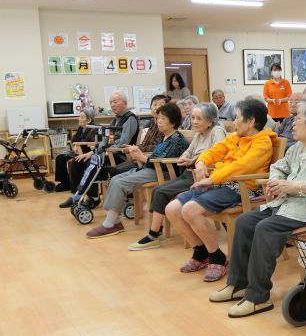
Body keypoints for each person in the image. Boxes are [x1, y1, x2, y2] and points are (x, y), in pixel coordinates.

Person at [209, 98, 306, 317]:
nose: (292, 123)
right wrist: (275, 182)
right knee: (244, 221)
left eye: (298, 118)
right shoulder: (299, 148)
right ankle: (238, 284)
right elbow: (278, 166)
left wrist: (295, 186)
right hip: (289, 203)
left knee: (265, 228)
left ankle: (258, 297)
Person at [166, 98, 277, 282]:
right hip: (220, 184)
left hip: (242, 188)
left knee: (190, 210)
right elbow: (213, 151)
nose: (233, 122)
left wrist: (211, 178)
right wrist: (202, 162)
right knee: (172, 209)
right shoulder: (234, 137)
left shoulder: (262, 142)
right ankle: (201, 252)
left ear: (250, 122)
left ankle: (217, 257)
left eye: (237, 118)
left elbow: (242, 167)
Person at [128, 103, 227, 250]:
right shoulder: (199, 133)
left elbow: (219, 155)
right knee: (158, 190)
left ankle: (153, 235)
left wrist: (193, 160)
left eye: (198, 118)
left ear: (210, 121)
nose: (194, 121)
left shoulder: (217, 131)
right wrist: (184, 157)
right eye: (193, 118)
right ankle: (156, 232)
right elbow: (189, 151)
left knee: (160, 191)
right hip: (188, 173)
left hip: (203, 176)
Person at [85, 102, 189, 238]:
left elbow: (163, 163)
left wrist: (141, 157)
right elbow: (154, 157)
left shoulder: (178, 139)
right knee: (115, 178)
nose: (158, 121)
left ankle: (110, 224)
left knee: (119, 183)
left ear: (173, 121)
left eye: (163, 118)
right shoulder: (164, 137)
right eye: (158, 118)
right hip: (151, 169)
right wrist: (138, 153)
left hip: (163, 174)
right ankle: (114, 221)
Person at [59, 92, 139, 208]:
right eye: (111, 102)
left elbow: (122, 143)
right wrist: (92, 152)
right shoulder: (116, 119)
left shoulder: (130, 119)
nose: (112, 105)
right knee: (77, 161)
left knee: (91, 162)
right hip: (107, 153)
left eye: (115, 102)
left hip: (120, 156)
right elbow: (106, 139)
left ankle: (93, 197)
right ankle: (76, 195)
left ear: (125, 103)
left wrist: (100, 151)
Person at [111, 94, 168, 175]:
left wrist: (137, 148)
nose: (157, 107)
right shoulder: (150, 123)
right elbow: (144, 143)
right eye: (154, 104)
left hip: (150, 161)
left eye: (161, 105)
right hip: (140, 158)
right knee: (113, 170)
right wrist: (134, 148)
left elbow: (158, 147)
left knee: (116, 171)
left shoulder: (165, 126)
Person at [54, 108, 97, 192]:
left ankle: (70, 185)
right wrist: (75, 145)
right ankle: (65, 183)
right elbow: (74, 139)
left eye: (82, 117)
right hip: (78, 151)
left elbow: (90, 143)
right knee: (59, 157)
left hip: (85, 153)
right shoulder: (81, 127)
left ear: (88, 120)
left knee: (69, 160)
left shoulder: (94, 129)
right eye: (79, 116)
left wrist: (78, 145)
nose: (79, 119)